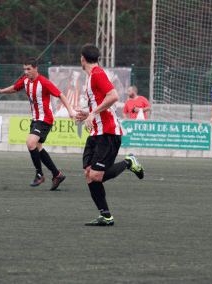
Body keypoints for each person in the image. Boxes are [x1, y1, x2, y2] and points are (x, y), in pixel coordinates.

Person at [75, 43, 144, 226]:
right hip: (96, 132)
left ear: (82, 58)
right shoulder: (91, 77)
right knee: (89, 173)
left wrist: (92, 113)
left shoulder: (97, 74)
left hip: (108, 132)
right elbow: (104, 103)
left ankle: (128, 162)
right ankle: (106, 216)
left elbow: (113, 96)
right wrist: (87, 113)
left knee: (97, 175)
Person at [0, 57, 75, 190]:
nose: (26, 72)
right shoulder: (25, 81)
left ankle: (39, 174)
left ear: (36, 68)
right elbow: (15, 88)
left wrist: (70, 111)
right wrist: (1, 91)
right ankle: (57, 174)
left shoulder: (44, 82)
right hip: (35, 119)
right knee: (38, 147)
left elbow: (60, 95)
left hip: (45, 119)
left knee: (30, 142)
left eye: (28, 69)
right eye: (24, 69)